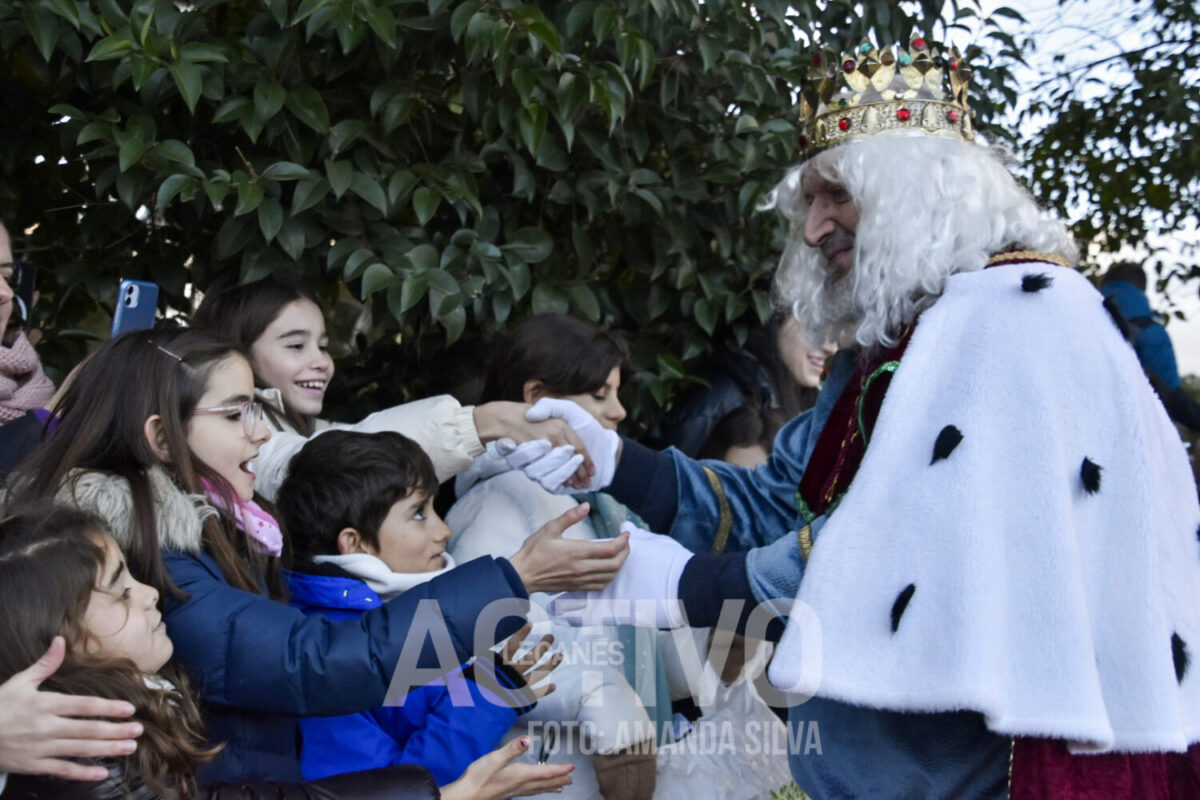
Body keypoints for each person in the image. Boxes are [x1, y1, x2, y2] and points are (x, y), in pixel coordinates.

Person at [535, 39, 1200, 799]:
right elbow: (787, 499)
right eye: (810, 205)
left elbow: (916, 541)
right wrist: (621, 463)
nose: (815, 230)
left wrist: (691, 583)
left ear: (918, 189)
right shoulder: (903, 342)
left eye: (835, 196)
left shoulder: (1022, 320)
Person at [5, 328, 628, 782]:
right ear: (163, 437)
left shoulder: (224, 521)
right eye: (237, 412)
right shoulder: (147, 553)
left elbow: (341, 462)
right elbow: (314, 663)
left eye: (259, 407)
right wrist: (512, 578)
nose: (259, 431)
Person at [0, 504, 447, 800]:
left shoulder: (140, 708)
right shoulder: (93, 762)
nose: (150, 594)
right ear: (58, 640)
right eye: (120, 591)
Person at [275, 429, 563, 785]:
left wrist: (490, 686)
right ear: (355, 542)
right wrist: (490, 696)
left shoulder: (405, 612)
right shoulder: (323, 652)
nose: (444, 530)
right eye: (418, 514)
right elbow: (389, 789)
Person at [190, 279, 594, 501]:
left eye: (324, 346)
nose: (321, 361)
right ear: (236, 357)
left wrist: (500, 451)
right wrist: (484, 421)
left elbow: (350, 441)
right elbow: (308, 465)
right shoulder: (241, 441)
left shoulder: (310, 429)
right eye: (296, 346)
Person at [645, 314, 834, 458]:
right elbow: (662, 485)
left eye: (832, 329)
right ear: (775, 321)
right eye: (814, 327)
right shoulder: (720, 399)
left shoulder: (815, 404)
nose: (831, 346)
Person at [1100, 261, 1200, 431]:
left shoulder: (1084, 315)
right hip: (1133, 428)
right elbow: (1172, 394)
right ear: (1141, 289)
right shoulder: (1151, 331)